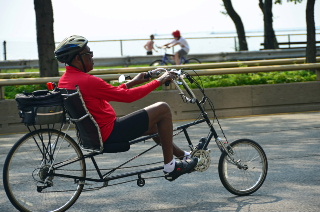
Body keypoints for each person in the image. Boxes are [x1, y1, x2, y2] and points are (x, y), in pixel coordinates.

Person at [55, 35, 198, 181]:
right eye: (89, 53)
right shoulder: (87, 81)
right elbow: (127, 97)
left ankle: (183, 156)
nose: (92, 57)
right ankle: (171, 167)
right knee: (163, 108)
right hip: (111, 132)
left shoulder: (66, 80)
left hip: (96, 134)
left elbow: (111, 94)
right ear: (78, 58)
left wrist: (133, 82)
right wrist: (159, 81)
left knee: (154, 125)